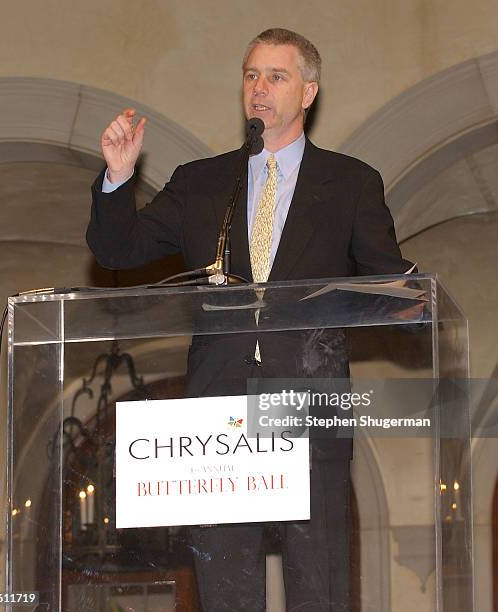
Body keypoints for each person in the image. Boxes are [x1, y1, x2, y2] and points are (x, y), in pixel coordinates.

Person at [87, 28, 413, 612]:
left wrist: (416, 296)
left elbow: (392, 286)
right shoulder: (202, 182)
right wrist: (117, 178)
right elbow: (118, 250)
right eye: (251, 76)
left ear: (308, 92)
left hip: (308, 406)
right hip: (220, 419)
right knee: (228, 590)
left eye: (277, 76)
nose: (259, 89)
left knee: (319, 587)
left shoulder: (351, 183)